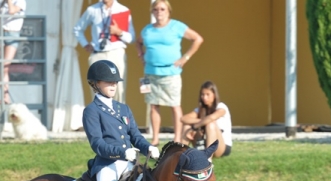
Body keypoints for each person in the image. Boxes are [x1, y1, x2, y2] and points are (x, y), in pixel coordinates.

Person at [136, 0, 203, 145]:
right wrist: (141, 54)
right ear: (152, 12)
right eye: (156, 9)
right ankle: (155, 139)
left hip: (171, 72)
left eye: (162, 9)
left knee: (174, 105)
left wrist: (185, 58)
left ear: (168, 11)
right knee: (153, 105)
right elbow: (138, 42)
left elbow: (197, 39)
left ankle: (177, 138)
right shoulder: (147, 29)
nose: (159, 12)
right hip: (150, 72)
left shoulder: (176, 26)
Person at [73, 0, 135, 103]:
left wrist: (118, 32)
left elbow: (131, 38)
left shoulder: (123, 10)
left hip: (116, 52)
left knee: (118, 90)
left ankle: (117, 118)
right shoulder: (92, 10)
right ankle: (100, 118)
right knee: (98, 91)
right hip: (98, 54)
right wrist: (85, 44)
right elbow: (77, 29)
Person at [181, 81, 232, 158]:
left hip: (221, 146)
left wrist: (194, 127)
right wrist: (201, 121)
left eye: (208, 95)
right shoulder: (200, 110)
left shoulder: (221, 107)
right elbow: (183, 119)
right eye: (202, 94)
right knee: (187, 127)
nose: (204, 97)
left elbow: (212, 118)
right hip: (203, 143)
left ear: (214, 95)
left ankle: (208, 160)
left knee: (210, 124)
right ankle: (180, 156)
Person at [0, 0, 26, 104]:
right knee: (1, 66)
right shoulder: (2, 3)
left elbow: (12, 11)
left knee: (5, 66)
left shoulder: (21, 1)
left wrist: (9, 2)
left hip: (13, 34)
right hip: (1, 33)